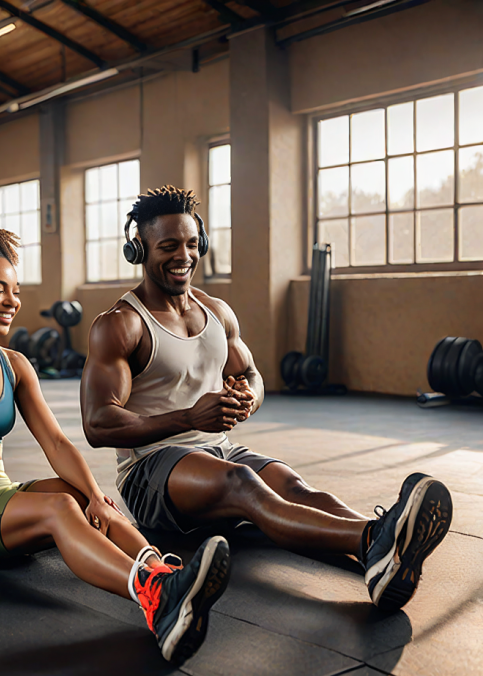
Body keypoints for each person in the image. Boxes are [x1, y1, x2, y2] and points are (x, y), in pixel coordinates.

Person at [0, 221, 231, 666]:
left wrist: (96, 497)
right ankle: (155, 597)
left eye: (14, 290)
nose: (11, 301)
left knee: (82, 498)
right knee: (61, 509)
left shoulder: (15, 364)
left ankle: (164, 572)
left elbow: (55, 442)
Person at [80, 186, 453, 612]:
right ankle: (376, 540)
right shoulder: (120, 325)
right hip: (151, 472)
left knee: (292, 484)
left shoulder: (216, 311)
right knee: (243, 483)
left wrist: (246, 398)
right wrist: (189, 417)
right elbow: (98, 423)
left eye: (190, 243)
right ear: (138, 249)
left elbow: (251, 375)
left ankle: (379, 548)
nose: (183, 255)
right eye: (167, 246)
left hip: (216, 450)